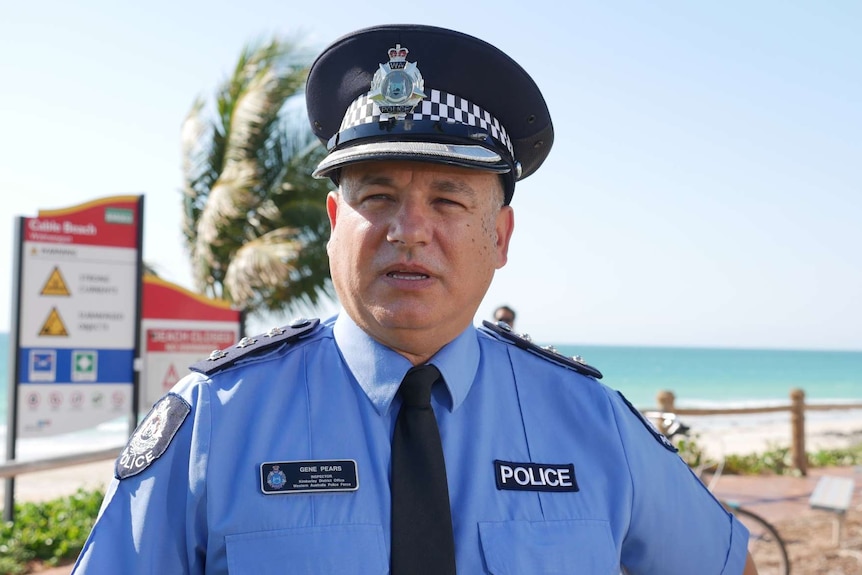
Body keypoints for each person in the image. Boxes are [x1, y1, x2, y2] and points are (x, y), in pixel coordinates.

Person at [72, 24, 757, 574]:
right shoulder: (214, 423)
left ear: (501, 235)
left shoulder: (590, 422)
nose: (408, 231)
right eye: (377, 196)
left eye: (449, 198)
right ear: (336, 227)